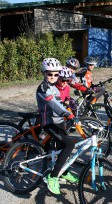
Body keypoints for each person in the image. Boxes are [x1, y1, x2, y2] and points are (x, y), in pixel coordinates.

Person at [36, 58, 79, 195]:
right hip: (49, 123)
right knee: (69, 145)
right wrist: (69, 114)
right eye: (50, 74)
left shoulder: (54, 86)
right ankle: (53, 177)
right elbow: (53, 104)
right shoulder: (44, 88)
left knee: (62, 148)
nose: (54, 77)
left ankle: (64, 171)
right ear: (44, 73)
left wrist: (70, 108)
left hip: (59, 122)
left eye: (56, 74)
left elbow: (61, 102)